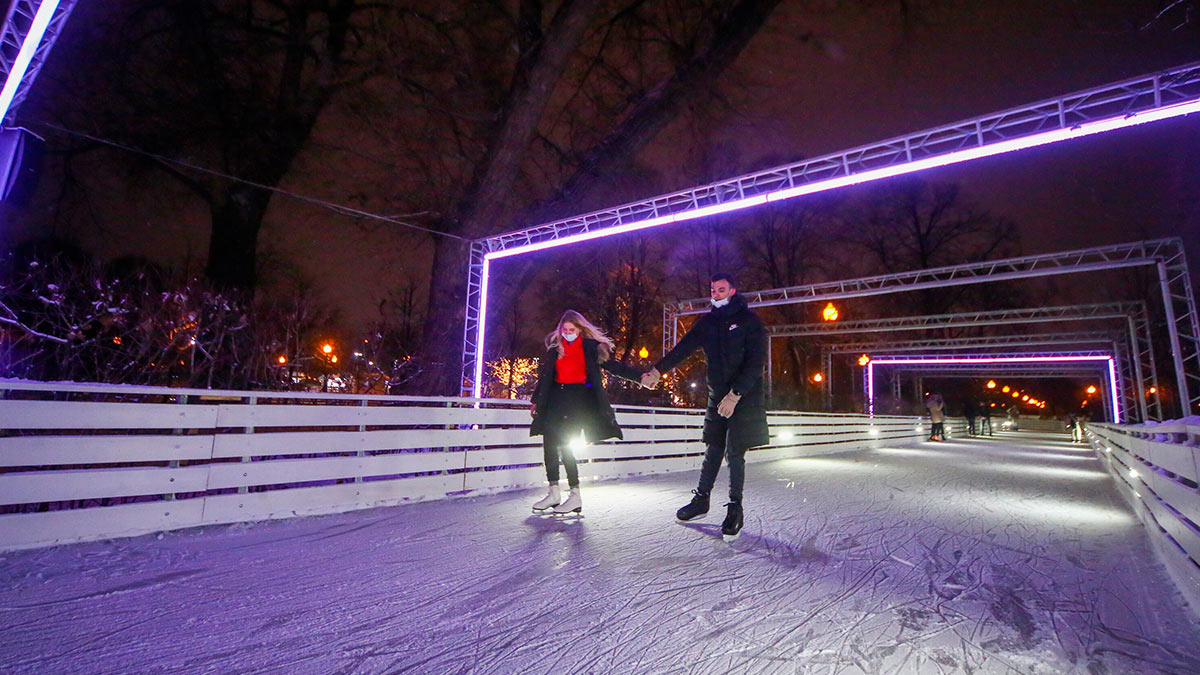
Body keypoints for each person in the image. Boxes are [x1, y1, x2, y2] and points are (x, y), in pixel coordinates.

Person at [641, 273, 768, 541]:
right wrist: (657, 370)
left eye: (722, 289)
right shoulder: (708, 322)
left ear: (732, 291)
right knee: (713, 447)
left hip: (742, 396)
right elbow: (682, 349)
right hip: (716, 393)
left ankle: (735, 509)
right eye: (713, 289)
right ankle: (701, 500)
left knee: (735, 451)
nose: (716, 293)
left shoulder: (749, 322)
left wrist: (736, 394)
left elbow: (757, 363)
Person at [529, 310, 643, 514]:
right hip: (555, 399)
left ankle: (574, 494)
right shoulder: (555, 349)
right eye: (564, 329)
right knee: (549, 444)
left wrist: (641, 377)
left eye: (571, 330)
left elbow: (614, 367)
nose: (567, 333)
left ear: (580, 329)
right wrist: (536, 401)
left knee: (565, 445)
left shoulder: (591, 348)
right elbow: (545, 378)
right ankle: (553, 491)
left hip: (577, 400)